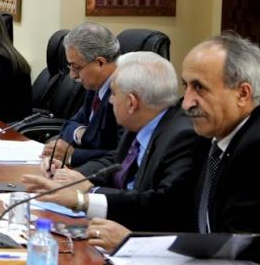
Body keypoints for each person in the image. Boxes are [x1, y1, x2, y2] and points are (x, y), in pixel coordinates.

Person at [87, 33, 260, 265]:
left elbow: (237, 251)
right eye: (186, 86)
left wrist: (132, 243)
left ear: (242, 94)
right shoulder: (216, 135)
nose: (186, 103)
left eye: (200, 88)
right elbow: (178, 211)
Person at [21, 52, 201, 228]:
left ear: (131, 103)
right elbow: (116, 161)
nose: (110, 101)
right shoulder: (142, 121)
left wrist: (88, 195)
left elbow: (162, 206)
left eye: (113, 94)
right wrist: (73, 177)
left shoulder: (181, 136)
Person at [42, 23, 121, 167]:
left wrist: (73, 155)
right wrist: (81, 133)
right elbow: (68, 125)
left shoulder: (123, 95)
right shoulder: (95, 86)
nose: (72, 75)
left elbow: (122, 155)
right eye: (70, 66)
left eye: (76, 67)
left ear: (100, 63)